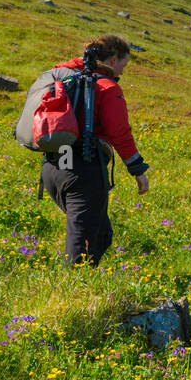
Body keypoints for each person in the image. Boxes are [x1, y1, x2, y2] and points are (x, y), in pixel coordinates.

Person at [40, 34, 150, 266]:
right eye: (123, 64)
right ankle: (73, 296)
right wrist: (138, 170)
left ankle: (81, 286)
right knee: (82, 248)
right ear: (112, 59)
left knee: (100, 235)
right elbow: (120, 133)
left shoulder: (62, 79)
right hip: (84, 170)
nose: (123, 71)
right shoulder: (107, 88)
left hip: (52, 167)